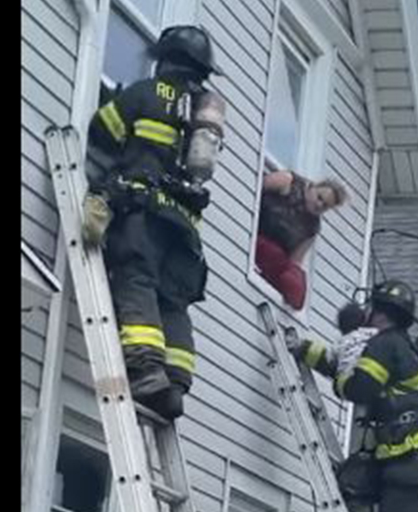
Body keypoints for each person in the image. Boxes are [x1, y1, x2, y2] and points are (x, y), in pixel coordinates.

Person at [87, 25, 225, 420]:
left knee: (137, 281)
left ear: (165, 58)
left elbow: (103, 132)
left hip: (143, 212)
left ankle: (147, 370)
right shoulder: (203, 111)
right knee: (173, 302)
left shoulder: (147, 93)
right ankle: (177, 378)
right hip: (184, 226)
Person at [296, 280, 418, 512]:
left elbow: (361, 388)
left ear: (379, 313)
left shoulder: (383, 344)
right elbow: (342, 364)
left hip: (407, 454)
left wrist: (341, 384)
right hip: (405, 452)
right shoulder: (402, 345)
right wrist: (303, 349)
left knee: (354, 487)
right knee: (352, 481)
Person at [255, 164, 347, 309]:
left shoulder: (312, 229)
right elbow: (254, 188)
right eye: (319, 197)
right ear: (313, 187)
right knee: (274, 253)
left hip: (271, 258)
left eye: (325, 206)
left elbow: (295, 260)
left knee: (295, 283)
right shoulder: (288, 181)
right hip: (256, 234)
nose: (319, 204)